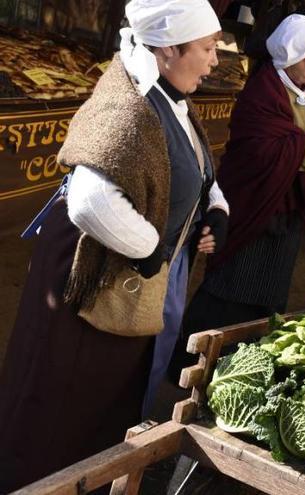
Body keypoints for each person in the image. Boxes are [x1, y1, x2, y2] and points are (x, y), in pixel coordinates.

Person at [0, 0, 226, 490]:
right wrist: (152, 251)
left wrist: (215, 210)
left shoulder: (171, 97)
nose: (216, 59)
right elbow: (90, 201)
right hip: (93, 284)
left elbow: (195, 166)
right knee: (62, 404)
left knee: (103, 403)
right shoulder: (129, 106)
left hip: (127, 281)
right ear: (168, 48)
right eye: (208, 48)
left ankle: (88, 477)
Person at [173, 15, 305, 370]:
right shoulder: (264, 93)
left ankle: (235, 365)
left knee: (266, 297)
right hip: (256, 210)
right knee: (229, 289)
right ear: (296, 52)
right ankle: (187, 360)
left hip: (284, 216)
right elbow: (260, 153)